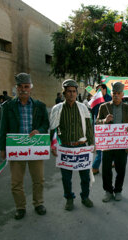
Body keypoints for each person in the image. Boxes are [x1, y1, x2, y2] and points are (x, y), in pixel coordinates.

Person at [0, 73, 49, 220]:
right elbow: (3, 128)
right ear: (16, 88)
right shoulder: (8, 107)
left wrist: (39, 130)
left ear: (31, 88)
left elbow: (46, 124)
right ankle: (20, 207)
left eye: (26, 86)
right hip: (16, 149)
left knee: (38, 179)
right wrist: (2, 148)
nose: (23, 89)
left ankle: (38, 203)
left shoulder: (39, 106)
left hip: (35, 149)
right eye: (20, 86)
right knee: (16, 182)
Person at [49, 79, 94, 211]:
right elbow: (53, 128)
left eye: (74, 91)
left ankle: (85, 197)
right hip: (66, 148)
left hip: (82, 147)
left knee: (85, 176)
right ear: (64, 93)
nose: (72, 94)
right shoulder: (57, 109)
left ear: (76, 93)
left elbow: (89, 128)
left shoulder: (83, 107)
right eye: (69, 91)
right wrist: (53, 145)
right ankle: (69, 198)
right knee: (66, 178)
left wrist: (91, 145)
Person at [97, 82, 128, 202]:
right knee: (106, 169)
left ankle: (118, 190)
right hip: (107, 144)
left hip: (122, 144)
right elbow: (97, 122)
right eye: (114, 93)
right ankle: (108, 191)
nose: (116, 95)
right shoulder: (104, 107)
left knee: (121, 169)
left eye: (118, 93)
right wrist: (104, 120)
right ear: (111, 94)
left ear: (122, 94)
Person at [91, 84, 112, 175]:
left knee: (111, 146)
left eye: (99, 90)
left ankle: (113, 161)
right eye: (97, 91)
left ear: (104, 90)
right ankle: (95, 167)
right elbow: (92, 112)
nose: (97, 92)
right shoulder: (95, 99)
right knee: (100, 148)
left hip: (110, 126)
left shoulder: (110, 99)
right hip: (99, 125)